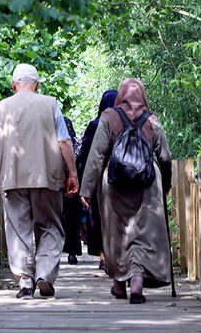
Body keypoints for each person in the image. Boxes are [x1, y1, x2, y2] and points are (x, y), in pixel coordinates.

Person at [79, 78, 173, 304]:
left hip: (113, 185)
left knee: (115, 233)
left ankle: (119, 285)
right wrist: (166, 184)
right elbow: (165, 157)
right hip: (147, 185)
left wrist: (87, 189)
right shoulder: (152, 120)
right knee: (141, 233)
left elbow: (97, 156)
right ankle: (138, 282)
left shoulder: (108, 117)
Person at [0, 63, 79, 300]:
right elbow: (64, 141)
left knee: (18, 230)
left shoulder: (1, 108)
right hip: (47, 177)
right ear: (37, 85)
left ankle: (25, 282)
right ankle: (44, 274)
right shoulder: (50, 104)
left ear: (13, 85)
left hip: (13, 176)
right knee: (50, 225)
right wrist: (72, 174)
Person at [75, 89, 118, 270]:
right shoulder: (124, 122)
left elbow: (86, 156)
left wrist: (84, 184)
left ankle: (103, 256)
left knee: (98, 217)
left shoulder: (95, 125)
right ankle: (118, 256)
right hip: (121, 177)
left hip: (99, 178)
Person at [60, 116, 83, 264]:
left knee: (57, 220)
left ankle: (53, 253)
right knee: (74, 220)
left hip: (57, 186)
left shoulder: (54, 144)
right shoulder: (78, 144)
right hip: (75, 187)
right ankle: (72, 252)